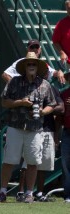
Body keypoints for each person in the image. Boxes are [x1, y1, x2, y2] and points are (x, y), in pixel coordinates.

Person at [0, 52, 56, 203]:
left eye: (34, 64)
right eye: (29, 64)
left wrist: (42, 111)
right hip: (15, 126)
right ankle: (2, 192)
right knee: (9, 160)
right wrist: (20, 102)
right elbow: (4, 102)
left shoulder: (45, 84)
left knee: (33, 162)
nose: (31, 66)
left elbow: (52, 105)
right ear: (24, 66)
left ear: (38, 66)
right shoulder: (14, 82)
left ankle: (29, 193)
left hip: (35, 129)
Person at [16, 84, 64, 202]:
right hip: (30, 128)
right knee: (27, 162)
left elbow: (61, 108)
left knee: (43, 163)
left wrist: (45, 109)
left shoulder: (52, 88)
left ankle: (39, 193)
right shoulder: (27, 86)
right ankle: (21, 192)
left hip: (47, 129)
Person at [56, 70, 70, 203]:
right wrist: (56, 135)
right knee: (66, 164)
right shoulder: (64, 94)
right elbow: (59, 117)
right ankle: (68, 194)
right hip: (67, 132)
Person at [52, 0, 70, 71]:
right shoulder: (61, 24)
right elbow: (55, 41)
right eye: (69, 8)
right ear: (66, 8)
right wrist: (62, 52)